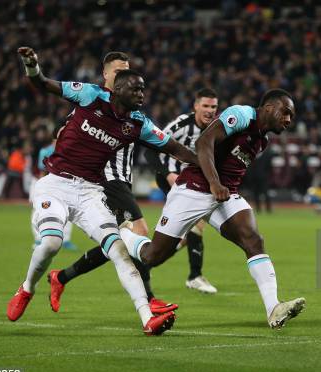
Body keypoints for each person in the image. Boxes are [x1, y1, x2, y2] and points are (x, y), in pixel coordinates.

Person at [7, 47, 197, 336]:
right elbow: (42, 84)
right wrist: (31, 66)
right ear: (115, 85)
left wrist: (206, 164)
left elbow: (173, 147)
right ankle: (27, 288)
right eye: (136, 89)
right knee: (51, 244)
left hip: (90, 193)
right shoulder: (90, 95)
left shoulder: (138, 123)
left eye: (143, 89)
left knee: (118, 250)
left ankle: (147, 317)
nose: (142, 95)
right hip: (55, 183)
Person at [119, 89, 306, 329]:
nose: (289, 120)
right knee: (153, 255)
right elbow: (203, 142)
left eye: (291, 115)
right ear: (269, 107)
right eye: (286, 112)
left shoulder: (263, 139)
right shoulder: (241, 115)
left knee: (253, 240)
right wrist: (215, 182)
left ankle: (274, 308)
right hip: (193, 190)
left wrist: (222, 187)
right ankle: (124, 233)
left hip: (225, 195)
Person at [46, 52, 175, 315]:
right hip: (104, 178)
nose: (124, 76)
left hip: (121, 179)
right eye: (118, 72)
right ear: (106, 75)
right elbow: (62, 130)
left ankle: (62, 278)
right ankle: (149, 300)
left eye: (126, 71)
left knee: (116, 241)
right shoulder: (93, 99)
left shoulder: (129, 108)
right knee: (137, 232)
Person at [146, 87, 219, 294]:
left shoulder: (217, 127)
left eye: (213, 106)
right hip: (172, 179)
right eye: (205, 105)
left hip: (197, 182)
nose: (209, 110)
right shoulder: (180, 125)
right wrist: (167, 174)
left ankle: (146, 263)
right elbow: (150, 150)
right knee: (196, 226)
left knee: (186, 236)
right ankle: (195, 276)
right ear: (195, 106)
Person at [31, 132, 77, 251]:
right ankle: (38, 238)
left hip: (63, 185)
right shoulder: (45, 151)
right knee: (39, 210)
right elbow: (42, 171)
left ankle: (66, 240)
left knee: (67, 210)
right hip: (46, 184)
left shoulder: (68, 150)